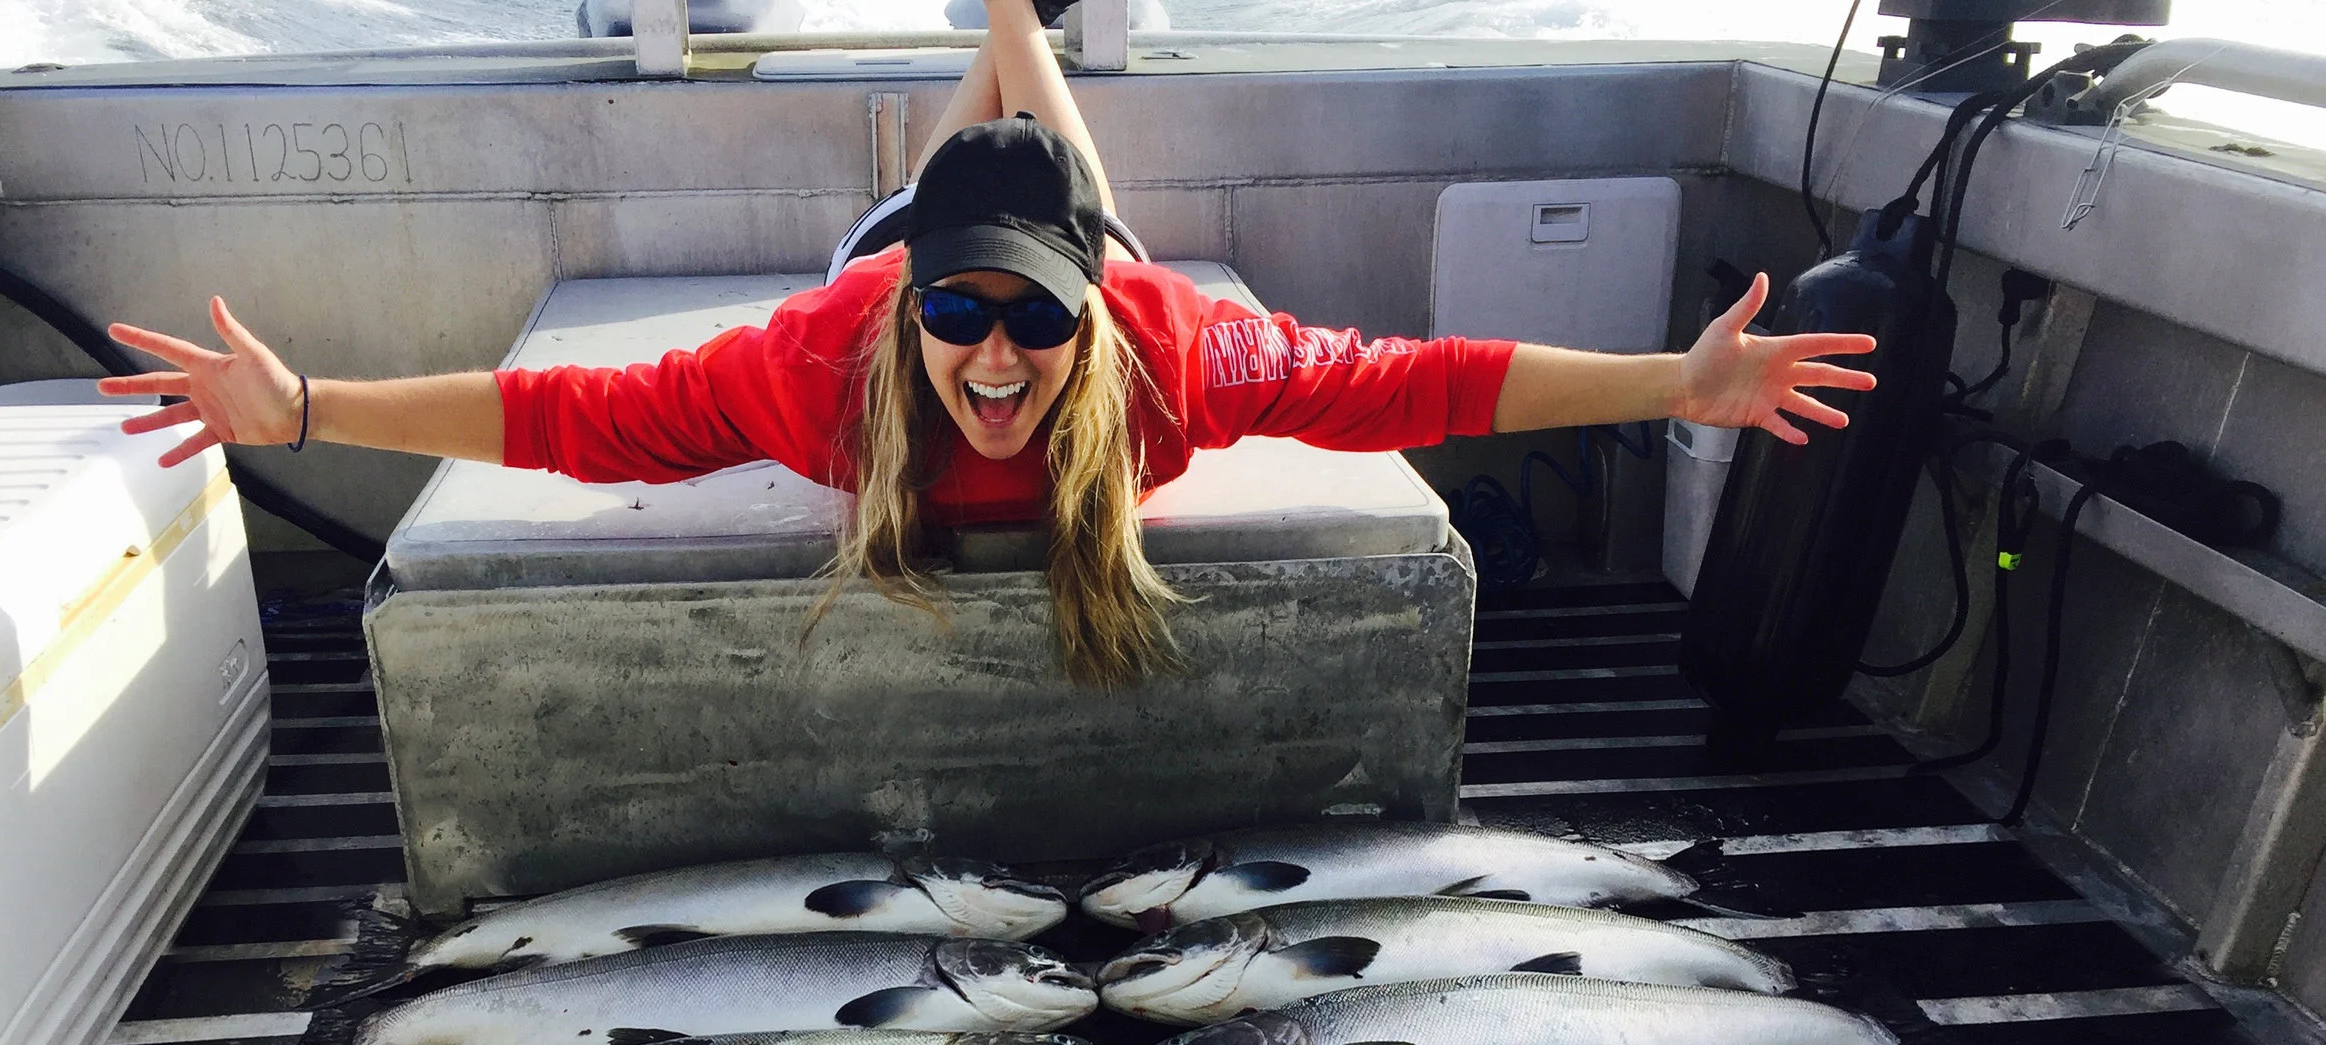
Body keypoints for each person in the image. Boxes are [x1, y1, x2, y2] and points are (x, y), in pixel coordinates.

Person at [102, 0, 1875, 686]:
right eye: (973, 318)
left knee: (1073, 174)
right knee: (1001, 168)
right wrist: (309, 403)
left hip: (1109, 246)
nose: (1001, 360)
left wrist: (1676, 384)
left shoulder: (1168, 350)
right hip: (886, 236)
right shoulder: (831, 358)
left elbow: (1419, 379)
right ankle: (1006, 50)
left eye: (1035, 319)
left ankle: (1017, 34)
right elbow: (577, 417)